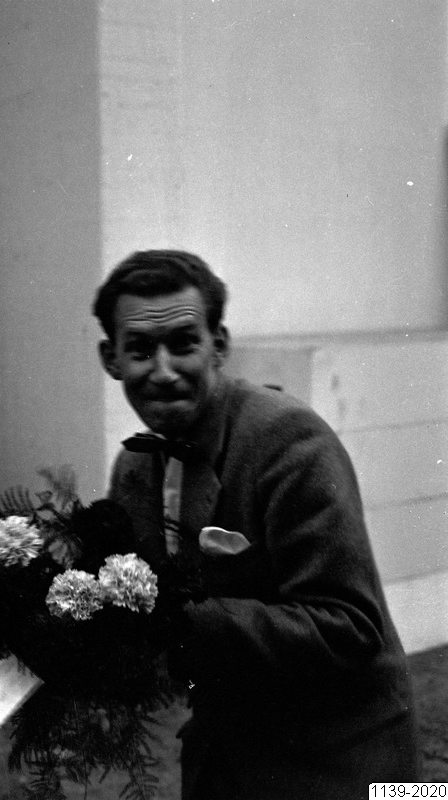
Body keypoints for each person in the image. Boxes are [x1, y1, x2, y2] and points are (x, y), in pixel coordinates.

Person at [94, 250, 419, 800]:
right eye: (141, 349)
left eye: (184, 343)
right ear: (111, 358)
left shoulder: (289, 441)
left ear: (219, 345)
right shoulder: (133, 467)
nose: (163, 371)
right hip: (226, 752)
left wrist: (177, 625)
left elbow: (348, 626)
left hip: (340, 760)